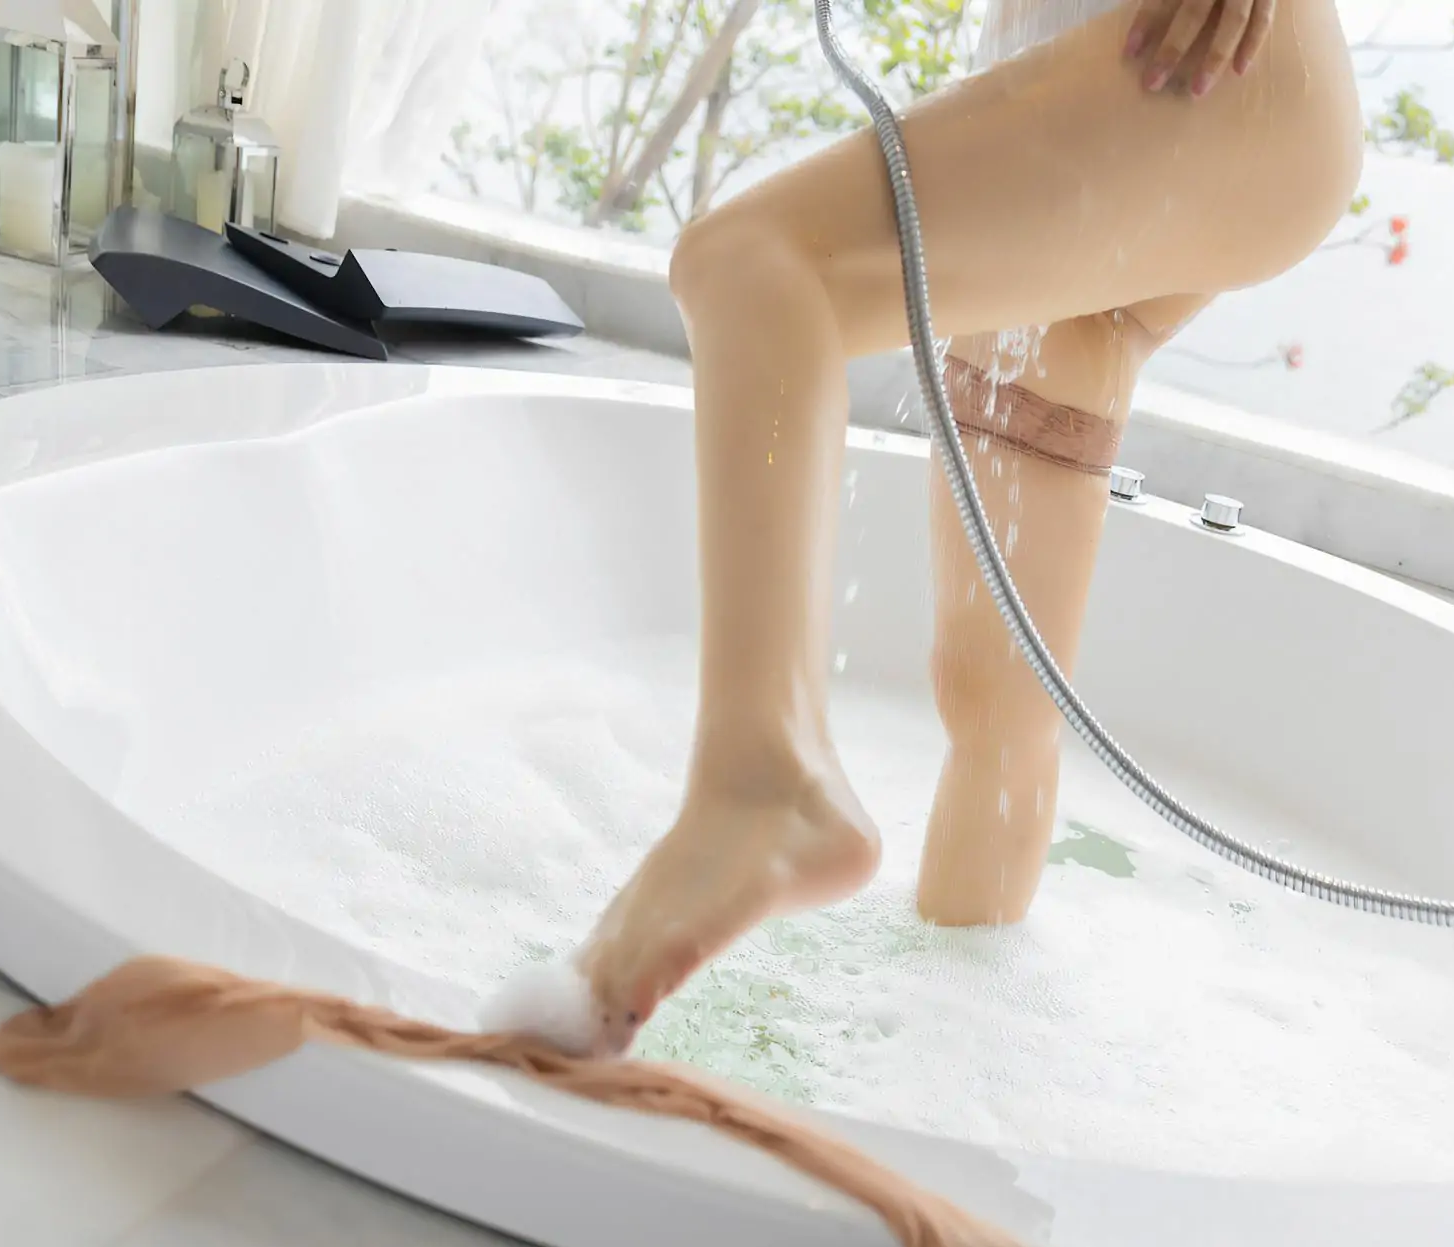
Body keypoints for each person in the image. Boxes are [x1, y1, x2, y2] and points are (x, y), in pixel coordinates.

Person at [555, 0, 1359, 1054]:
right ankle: (949, 1054)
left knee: (753, 259)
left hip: (1200, 70)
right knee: (997, 714)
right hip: (1171, 86)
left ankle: (761, 779)